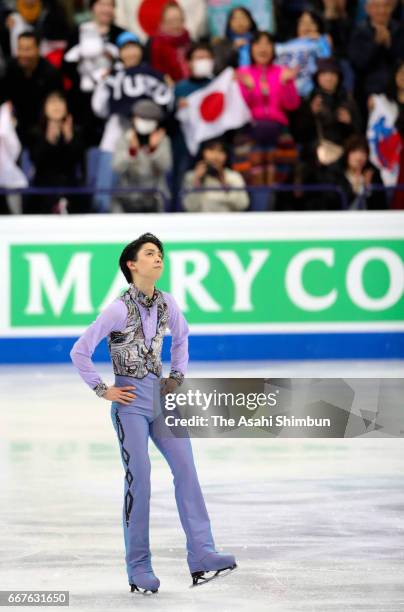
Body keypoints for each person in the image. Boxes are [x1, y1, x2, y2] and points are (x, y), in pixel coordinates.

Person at [69, 233, 237, 593]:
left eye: (160, 253)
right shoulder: (117, 309)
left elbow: (182, 336)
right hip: (129, 405)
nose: (158, 258)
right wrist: (102, 389)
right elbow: (80, 351)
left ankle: (203, 554)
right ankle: (139, 567)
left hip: (160, 401)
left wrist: (177, 375)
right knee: (140, 481)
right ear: (132, 265)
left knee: (187, 471)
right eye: (149, 253)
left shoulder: (167, 303)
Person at [235, 31, 300, 210]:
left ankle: (267, 220)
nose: (263, 48)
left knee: (274, 183)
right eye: (258, 43)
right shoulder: (242, 73)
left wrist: (287, 83)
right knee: (253, 180)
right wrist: (248, 88)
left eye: (267, 44)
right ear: (251, 49)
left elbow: (292, 104)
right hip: (251, 134)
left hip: (278, 135)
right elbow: (238, 108)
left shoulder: (282, 73)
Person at [25, 90, 89, 214]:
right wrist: (49, 140)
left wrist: (69, 138)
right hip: (42, 190)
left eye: (60, 101)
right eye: (52, 101)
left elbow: (79, 164)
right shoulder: (35, 133)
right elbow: (37, 162)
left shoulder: (77, 132)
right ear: (44, 107)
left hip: (71, 189)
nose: (56, 106)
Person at [0, 31, 63, 146]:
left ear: (38, 50)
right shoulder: (9, 69)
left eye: (28, 49)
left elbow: (56, 104)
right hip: (13, 125)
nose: (23, 54)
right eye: (20, 48)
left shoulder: (51, 74)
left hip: (42, 127)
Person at [112, 99, 172, 212]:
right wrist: (132, 151)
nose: (145, 122)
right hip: (127, 198)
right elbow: (117, 167)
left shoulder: (162, 139)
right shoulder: (124, 138)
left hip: (154, 198)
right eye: (142, 118)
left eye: (150, 119)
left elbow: (166, 167)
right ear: (133, 119)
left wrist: (153, 150)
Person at [348, 0, 404, 119]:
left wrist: (389, 45)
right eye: (377, 7)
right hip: (369, 92)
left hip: (398, 90)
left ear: (392, 8)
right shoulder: (359, 31)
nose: (382, 11)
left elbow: (400, 61)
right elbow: (359, 64)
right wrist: (376, 44)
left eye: (386, 6)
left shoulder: (399, 29)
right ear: (368, 9)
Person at [182, 138, 249, 212]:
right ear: (203, 152)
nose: (215, 156)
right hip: (201, 222)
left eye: (220, 151)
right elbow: (189, 208)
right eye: (211, 150)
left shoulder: (234, 177)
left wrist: (224, 183)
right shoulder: (191, 176)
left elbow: (242, 205)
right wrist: (197, 181)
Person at [338, 134, 387, 209]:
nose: (359, 157)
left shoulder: (373, 174)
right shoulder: (336, 174)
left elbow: (381, 205)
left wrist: (369, 189)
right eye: (354, 151)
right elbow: (332, 203)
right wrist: (353, 190)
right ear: (347, 154)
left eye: (363, 152)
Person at [148, 1, 192, 82]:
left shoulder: (188, 40)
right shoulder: (157, 44)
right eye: (170, 22)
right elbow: (156, 72)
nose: (175, 25)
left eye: (178, 20)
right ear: (163, 23)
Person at [212, 6, 257, 74]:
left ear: (250, 21)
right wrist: (234, 47)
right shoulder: (221, 44)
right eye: (235, 18)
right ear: (229, 23)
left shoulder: (257, 41)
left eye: (243, 17)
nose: (239, 21)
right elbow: (217, 68)